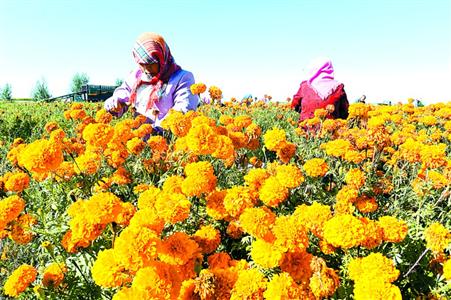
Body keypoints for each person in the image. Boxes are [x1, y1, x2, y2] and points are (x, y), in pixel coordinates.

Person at [104, 32, 199, 130]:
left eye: (150, 63)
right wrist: (116, 102)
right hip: (140, 139)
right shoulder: (137, 75)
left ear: (162, 58)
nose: (146, 69)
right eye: (141, 64)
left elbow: (184, 108)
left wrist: (158, 130)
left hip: (167, 138)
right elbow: (125, 91)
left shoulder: (182, 77)